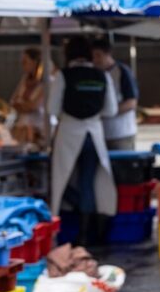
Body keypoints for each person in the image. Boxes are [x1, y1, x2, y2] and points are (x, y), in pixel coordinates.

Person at [49, 36, 118, 245]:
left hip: (69, 133)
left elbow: (52, 109)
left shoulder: (64, 75)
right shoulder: (102, 76)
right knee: (88, 182)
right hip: (93, 135)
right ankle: (88, 234)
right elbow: (111, 110)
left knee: (61, 181)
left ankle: (61, 232)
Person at [91, 37, 139, 151]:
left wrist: (107, 111)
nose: (95, 60)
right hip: (101, 133)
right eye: (93, 56)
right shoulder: (95, 74)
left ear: (108, 54)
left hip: (121, 134)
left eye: (98, 55)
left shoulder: (122, 72)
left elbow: (131, 103)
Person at [10, 48, 47, 148]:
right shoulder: (24, 79)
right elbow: (13, 101)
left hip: (38, 130)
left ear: (35, 63)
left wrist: (22, 104)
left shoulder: (46, 82)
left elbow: (34, 106)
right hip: (21, 128)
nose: (22, 65)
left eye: (25, 62)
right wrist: (25, 105)